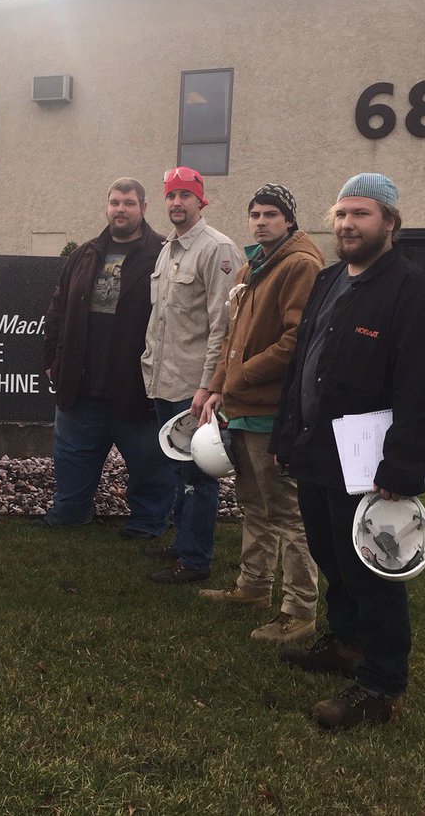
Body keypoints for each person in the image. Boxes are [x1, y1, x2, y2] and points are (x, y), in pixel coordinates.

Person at [271, 173, 425, 730]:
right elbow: (303, 365)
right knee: (330, 554)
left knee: (372, 572)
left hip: (371, 467)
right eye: (342, 213)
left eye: (362, 214)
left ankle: (380, 687)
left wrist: (402, 468)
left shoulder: (416, 292)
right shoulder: (328, 280)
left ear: (390, 223)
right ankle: (346, 643)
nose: (347, 224)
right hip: (318, 452)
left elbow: (424, 391)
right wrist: (285, 438)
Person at [195, 184, 324, 641]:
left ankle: (300, 610)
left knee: (289, 512)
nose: (261, 221)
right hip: (242, 406)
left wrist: (243, 374)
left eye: (271, 214)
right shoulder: (255, 265)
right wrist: (217, 387)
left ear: (289, 220)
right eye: (255, 214)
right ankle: (252, 586)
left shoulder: (300, 266)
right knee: (253, 504)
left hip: (274, 410)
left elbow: (297, 340)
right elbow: (231, 334)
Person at [41, 178, 175, 537]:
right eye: (115, 202)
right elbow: (57, 309)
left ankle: (148, 523)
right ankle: (70, 513)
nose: (121, 209)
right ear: (107, 206)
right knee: (71, 462)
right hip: (81, 386)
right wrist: (52, 360)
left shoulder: (164, 252)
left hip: (136, 388)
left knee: (150, 466)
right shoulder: (84, 255)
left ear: (144, 208)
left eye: (129, 203)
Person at [140, 166, 244, 582]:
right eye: (170, 196)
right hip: (164, 381)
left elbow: (225, 327)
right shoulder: (168, 250)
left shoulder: (217, 249)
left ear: (202, 200)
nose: (177, 203)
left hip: (194, 387)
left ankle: (196, 560)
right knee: (177, 469)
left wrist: (208, 387)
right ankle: (182, 544)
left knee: (199, 474)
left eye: (185, 195)